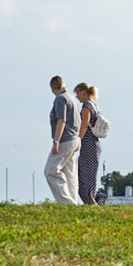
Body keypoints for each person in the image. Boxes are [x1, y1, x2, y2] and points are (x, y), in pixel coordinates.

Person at [45, 76, 81, 204]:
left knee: (50, 171)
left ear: (53, 88)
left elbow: (62, 120)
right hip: (75, 139)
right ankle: (73, 202)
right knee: (69, 173)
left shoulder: (60, 99)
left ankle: (66, 202)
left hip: (65, 139)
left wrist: (56, 141)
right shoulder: (72, 98)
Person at [74, 83, 104, 205]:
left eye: (77, 93)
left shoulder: (86, 106)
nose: (76, 96)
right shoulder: (95, 106)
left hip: (88, 144)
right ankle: (94, 199)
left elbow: (84, 124)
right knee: (89, 174)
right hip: (94, 144)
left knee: (84, 176)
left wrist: (78, 139)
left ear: (83, 92)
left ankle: (91, 200)